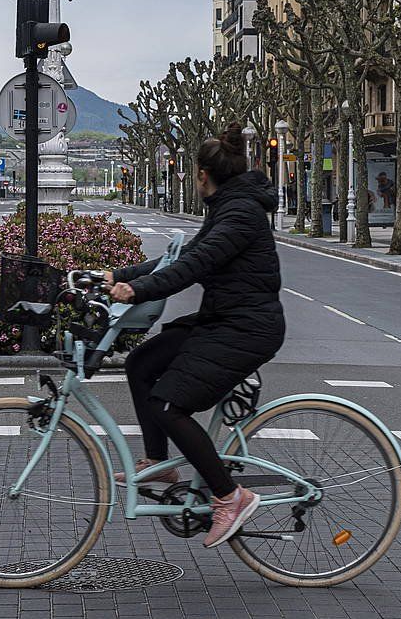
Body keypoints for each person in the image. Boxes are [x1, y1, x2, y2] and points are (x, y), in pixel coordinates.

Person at [103, 123, 286, 549]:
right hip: (222, 320)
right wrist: (119, 275)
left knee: (169, 403)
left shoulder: (240, 214)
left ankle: (230, 496)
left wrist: (137, 290)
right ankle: (160, 464)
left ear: (202, 175)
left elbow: (195, 265)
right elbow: (180, 257)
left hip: (245, 329)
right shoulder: (229, 206)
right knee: (141, 364)